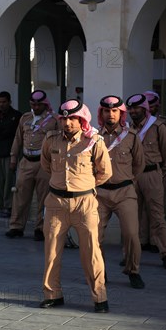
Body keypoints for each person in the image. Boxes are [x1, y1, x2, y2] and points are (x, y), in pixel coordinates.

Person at [39, 99, 112, 313]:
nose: (68, 123)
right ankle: (52, 294)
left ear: (82, 120)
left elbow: (105, 172)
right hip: (56, 203)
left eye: (73, 119)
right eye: (64, 119)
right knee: (51, 251)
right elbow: (46, 165)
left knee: (91, 252)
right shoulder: (51, 139)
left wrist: (85, 185)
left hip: (85, 203)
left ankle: (99, 297)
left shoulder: (94, 142)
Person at [95, 96, 145, 289]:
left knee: (132, 234)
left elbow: (139, 165)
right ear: (102, 113)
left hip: (125, 192)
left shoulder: (131, 136)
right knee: (94, 236)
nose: (111, 114)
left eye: (115, 111)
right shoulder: (92, 137)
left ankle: (133, 271)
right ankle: (100, 272)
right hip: (99, 193)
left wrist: (127, 180)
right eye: (107, 111)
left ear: (121, 113)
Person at [126, 93, 166, 270]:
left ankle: (165, 254)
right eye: (130, 108)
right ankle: (131, 255)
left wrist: (161, 173)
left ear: (144, 108)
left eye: (136, 108)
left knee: (157, 216)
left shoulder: (157, 126)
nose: (133, 111)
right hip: (133, 176)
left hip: (152, 174)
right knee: (132, 217)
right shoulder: (129, 128)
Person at [6, 90, 58, 241]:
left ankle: (40, 228)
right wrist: (13, 158)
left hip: (44, 163)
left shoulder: (54, 119)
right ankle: (16, 226)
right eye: (33, 104)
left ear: (45, 104)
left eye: (39, 104)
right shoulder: (25, 118)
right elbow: (18, 139)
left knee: (44, 197)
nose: (35, 107)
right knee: (20, 195)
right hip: (26, 161)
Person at [140, 90, 166, 252]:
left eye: (153, 105)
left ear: (158, 105)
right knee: (140, 209)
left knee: (156, 208)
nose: (151, 108)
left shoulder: (164, 122)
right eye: (148, 105)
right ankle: (142, 240)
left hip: (157, 170)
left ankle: (157, 243)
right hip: (139, 172)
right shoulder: (135, 123)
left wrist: (164, 169)